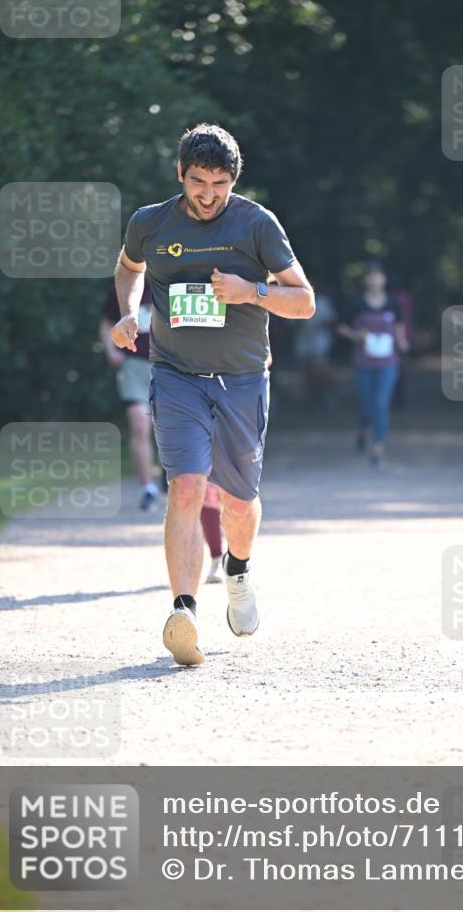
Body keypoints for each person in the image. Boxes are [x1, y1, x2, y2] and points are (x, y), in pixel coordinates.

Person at [109, 122, 315, 665]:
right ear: (180, 174)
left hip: (243, 380)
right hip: (175, 375)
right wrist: (130, 312)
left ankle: (239, 572)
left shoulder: (256, 223)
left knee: (238, 502)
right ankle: (184, 611)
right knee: (185, 488)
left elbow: (305, 301)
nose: (207, 195)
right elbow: (129, 268)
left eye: (219, 183)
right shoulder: (149, 222)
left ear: (233, 181)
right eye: (198, 181)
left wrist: (254, 291)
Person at [337, 261, 409, 468]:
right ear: (366, 280)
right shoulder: (357, 303)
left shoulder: (393, 302)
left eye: (379, 275)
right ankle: (363, 429)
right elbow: (341, 327)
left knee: (381, 403)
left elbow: (399, 325)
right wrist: (355, 336)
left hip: (388, 362)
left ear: (384, 279)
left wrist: (402, 341)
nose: (375, 280)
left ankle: (377, 450)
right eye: (371, 276)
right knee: (368, 405)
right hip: (364, 362)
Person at [100, 280, 159, 510]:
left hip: (169, 365)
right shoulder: (123, 286)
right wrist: (110, 350)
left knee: (173, 426)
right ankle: (148, 488)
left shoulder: (174, 278)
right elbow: (106, 323)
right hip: (134, 365)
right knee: (139, 424)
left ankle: (171, 476)